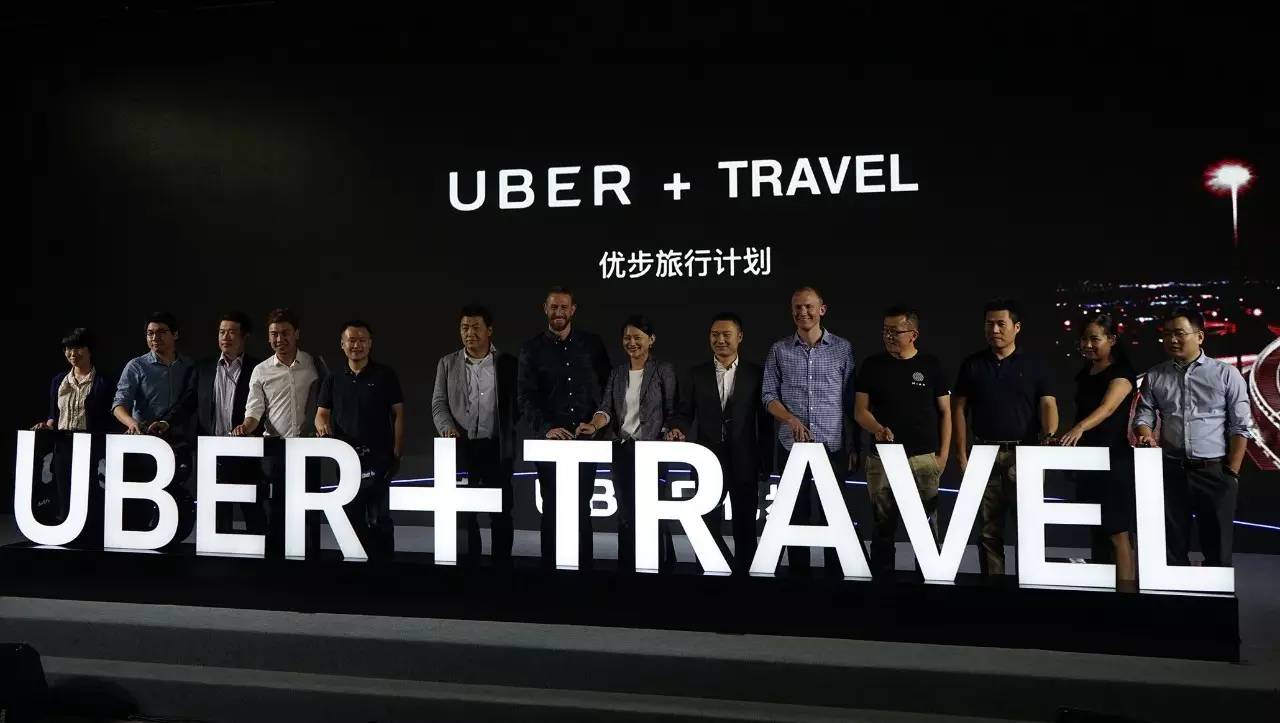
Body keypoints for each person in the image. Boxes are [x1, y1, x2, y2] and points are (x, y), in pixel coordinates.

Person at [1133, 307, 1250, 568]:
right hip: (1171, 471)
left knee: (1217, 550)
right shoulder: (1154, 376)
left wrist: (1231, 473)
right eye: (1166, 334)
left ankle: (1215, 594)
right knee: (1171, 549)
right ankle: (1175, 593)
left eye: (1179, 333)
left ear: (1200, 336)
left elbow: (1241, 426)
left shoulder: (1226, 374)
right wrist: (1145, 435)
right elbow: (1143, 416)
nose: (1172, 340)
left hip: (1214, 472)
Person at [953, 298, 1058, 577]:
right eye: (989, 324)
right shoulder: (972, 364)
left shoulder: (1035, 363)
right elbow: (959, 409)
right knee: (988, 530)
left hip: (1025, 454)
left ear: (1017, 327)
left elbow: (1048, 403)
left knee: (1028, 527)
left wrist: (1048, 439)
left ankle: (1030, 586)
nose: (995, 330)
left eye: (1001, 324)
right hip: (983, 453)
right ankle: (993, 589)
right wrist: (961, 454)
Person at [761, 286, 857, 575]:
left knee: (834, 517)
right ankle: (799, 578)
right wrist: (790, 419)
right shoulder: (779, 350)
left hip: (832, 445)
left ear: (822, 310)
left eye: (809, 306)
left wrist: (853, 446)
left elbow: (850, 401)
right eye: (797, 307)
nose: (803, 312)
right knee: (795, 515)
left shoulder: (843, 348)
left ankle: (835, 578)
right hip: (792, 447)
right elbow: (768, 395)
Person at [668, 312, 772, 575]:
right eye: (715, 335)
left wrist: (765, 461)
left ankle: (744, 577)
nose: (720, 340)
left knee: (745, 525)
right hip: (707, 459)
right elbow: (684, 412)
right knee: (706, 526)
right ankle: (714, 575)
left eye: (727, 334)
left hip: (745, 459)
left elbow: (765, 423)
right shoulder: (696, 374)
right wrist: (678, 429)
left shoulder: (756, 374)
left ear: (740, 336)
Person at [517, 286, 612, 570]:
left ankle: (585, 570)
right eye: (554, 307)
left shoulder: (592, 344)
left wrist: (596, 423)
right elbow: (525, 396)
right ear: (545, 309)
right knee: (552, 507)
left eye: (564, 307)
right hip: (550, 443)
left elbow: (609, 388)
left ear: (573, 310)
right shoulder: (531, 349)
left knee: (582, 506)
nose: (558, 312)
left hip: (586, 441)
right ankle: (550, 571)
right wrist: (547, 428)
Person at [854, 306, 951, 577]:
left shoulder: (931, 365)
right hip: (882, 460)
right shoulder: (872, 365)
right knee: (882, 527)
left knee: (926, 530)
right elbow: (860, 411)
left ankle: (929, 585)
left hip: (923, 459)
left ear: (913, 334)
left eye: (895, 332)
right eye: (885, 331)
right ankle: (883, 586)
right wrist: (877, 429)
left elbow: (946, 412)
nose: (888, 336)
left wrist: (942, 456)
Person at [577, 315, 678, 573]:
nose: (631, 343)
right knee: (625, 513)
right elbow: (606, 409)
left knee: (654, 513)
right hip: (622, 450)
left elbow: (671, 410)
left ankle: (663, 567)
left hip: (652, 451)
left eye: (637, 337)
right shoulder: (618, 373)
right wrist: (594, 425)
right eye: (627, 338)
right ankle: (626, 569)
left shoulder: (663, 370)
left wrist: (668, 433)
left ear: (651, 340)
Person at [157, 312, 266, 535]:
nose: (225, 337)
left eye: (232, 332)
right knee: (217, 514)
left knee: (252, 510)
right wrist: (166, 422)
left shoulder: (257, 368)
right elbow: (187, 402)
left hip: (246, 450)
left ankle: (259, 554)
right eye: (222, 332)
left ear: (244, 336)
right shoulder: (203, 368)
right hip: (212, 452)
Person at [235, 308, 328, 556]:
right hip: (276, 453)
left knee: (309, 512)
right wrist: (246, 427)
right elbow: (254, 411)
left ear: (297, 334)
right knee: (276, 512)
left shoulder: (314, 365)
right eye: (274, 334)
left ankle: (311, 563)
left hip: (308, 450)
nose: (279, 339)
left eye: (285, 333)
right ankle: (276, 566)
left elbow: (326, 403)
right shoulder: (261, 370)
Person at [431, 305, 519, 566]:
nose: (469, 333)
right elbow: (439, 403)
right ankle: (469, 567)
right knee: (463, 513)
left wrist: (506, 425)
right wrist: (447, 428)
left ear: (489, 330)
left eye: (475, 327)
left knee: (501, 511)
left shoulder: (508, 363)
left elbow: (519, 402)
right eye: (464, 328)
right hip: (461, 448)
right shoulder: (447, 363)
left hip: (496, 448)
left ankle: (502, 568)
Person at [1058, 313, 1137, 589]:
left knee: (1118, 533)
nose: (1088, 345)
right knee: (1097, 531)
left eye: (1095, 339)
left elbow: (1108, 408)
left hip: (1113, 461)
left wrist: (1079, 428)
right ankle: (1103, 594)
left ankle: (1126, 596)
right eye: (1084, 339)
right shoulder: (1085, 372)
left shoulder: (1121, 373)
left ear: (1112, 339)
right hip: (1088, 462)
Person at [316, 320, 405, 560]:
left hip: (380, 460)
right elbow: (321, 414)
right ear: (342, 344)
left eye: (362, 340)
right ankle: (356, 570)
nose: (357, 345)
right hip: (346, 461)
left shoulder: (385, 375)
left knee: (380, 519)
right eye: (351, 340)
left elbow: (398, 414)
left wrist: (397, 452)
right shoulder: (333, 379)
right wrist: (322, 426)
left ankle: (385, 568)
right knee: (351, 520)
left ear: (370, 343)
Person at [31, 328, 115, 528]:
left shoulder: (103, 381)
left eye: (78, 348)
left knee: (90, 488)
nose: (72, 353)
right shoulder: (59, 380)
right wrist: (46, 425)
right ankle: (65, 527)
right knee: (63, 488)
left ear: (90, 350)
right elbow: (53, 415)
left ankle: (91, 529)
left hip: (90, 444)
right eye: (68, 349)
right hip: (62, 443)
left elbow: (108, 416)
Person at [112, 312, 192, 436]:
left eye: (161, 332)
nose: (154, 337)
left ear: (175, 334)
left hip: (180, 439)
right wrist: (132, 423)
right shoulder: (136, 366)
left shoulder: (188, 365)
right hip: (146, 437)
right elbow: (119, 405)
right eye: (150, 333)